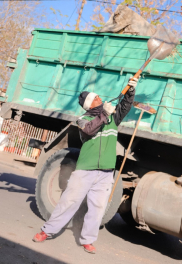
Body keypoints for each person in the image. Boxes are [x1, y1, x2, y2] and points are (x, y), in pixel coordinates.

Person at [32, 77, 139, 254]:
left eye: (99, 97)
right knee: (69, 202)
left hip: (106, 172)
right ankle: (46, 231)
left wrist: (131, 91)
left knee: (97, 208)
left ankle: (87, 240)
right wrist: (104, 114)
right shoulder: (83, 119)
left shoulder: (112, 117)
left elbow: (125, 107)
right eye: (95, 98)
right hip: (85, 170)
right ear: (89, 104)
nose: (100, 98)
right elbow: (90, 130)